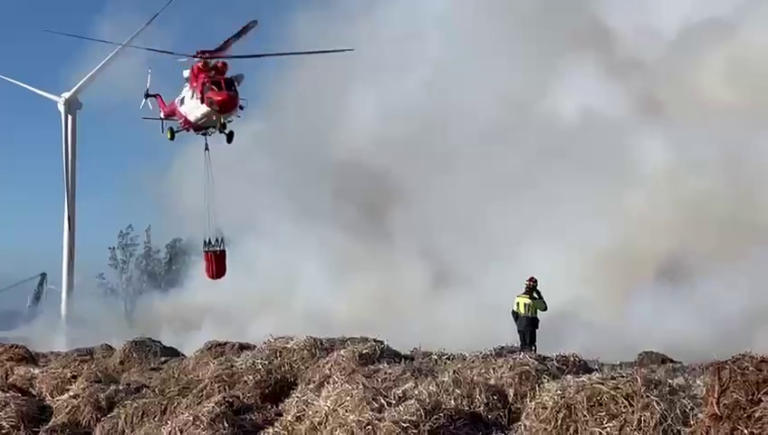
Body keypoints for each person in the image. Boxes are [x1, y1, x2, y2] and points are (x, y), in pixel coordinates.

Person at [511, 276, 548, 352]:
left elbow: (514, 312)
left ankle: (522, 360)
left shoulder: (518, 298)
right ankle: (530, 361)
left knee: (523, 345)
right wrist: (539, 295)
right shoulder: (533, 300)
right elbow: (544, 308)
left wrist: (518, 323)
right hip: (530, 324)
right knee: (530, 345)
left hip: (520, 324)